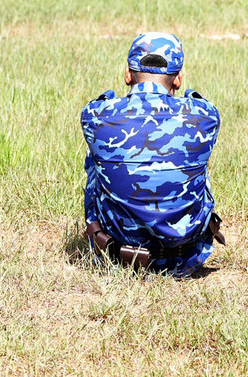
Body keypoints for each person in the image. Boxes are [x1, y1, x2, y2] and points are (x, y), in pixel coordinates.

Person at [80, 33, 223, 276]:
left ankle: (113, 240)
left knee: (97, 158)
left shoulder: (96, 115)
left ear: (128, 75)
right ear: (178, 79)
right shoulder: (205, 116)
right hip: (187, 258)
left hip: (115, 259)